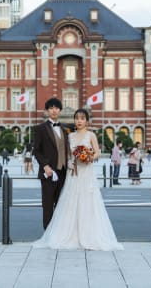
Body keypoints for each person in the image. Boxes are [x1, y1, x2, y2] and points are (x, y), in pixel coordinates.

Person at [33, 108, 123, 250]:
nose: (79, 121)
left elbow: (98, 151)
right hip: (73, 174)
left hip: (87, 173)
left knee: (88, 203)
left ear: (87, 121)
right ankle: (70, 235)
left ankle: (89, 235)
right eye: (77, 118)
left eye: (82, 118)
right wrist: (69, 162)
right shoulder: (70, 136)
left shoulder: (91, 135)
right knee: (70, 202)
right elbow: (68, 154)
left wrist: (89, 158)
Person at [32, 97, 71, 230]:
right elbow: (36, 151)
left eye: (56, 108)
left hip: (63, 172)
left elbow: (66, 150)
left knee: (61, 205)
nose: (54, 111)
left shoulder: (65, 129)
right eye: (51, 108)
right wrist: (45, 166)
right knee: (48, 205)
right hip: (48, 173)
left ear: (60, 110)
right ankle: (48, 234)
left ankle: (59, 233)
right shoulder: (41, 129)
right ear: (47, 111)